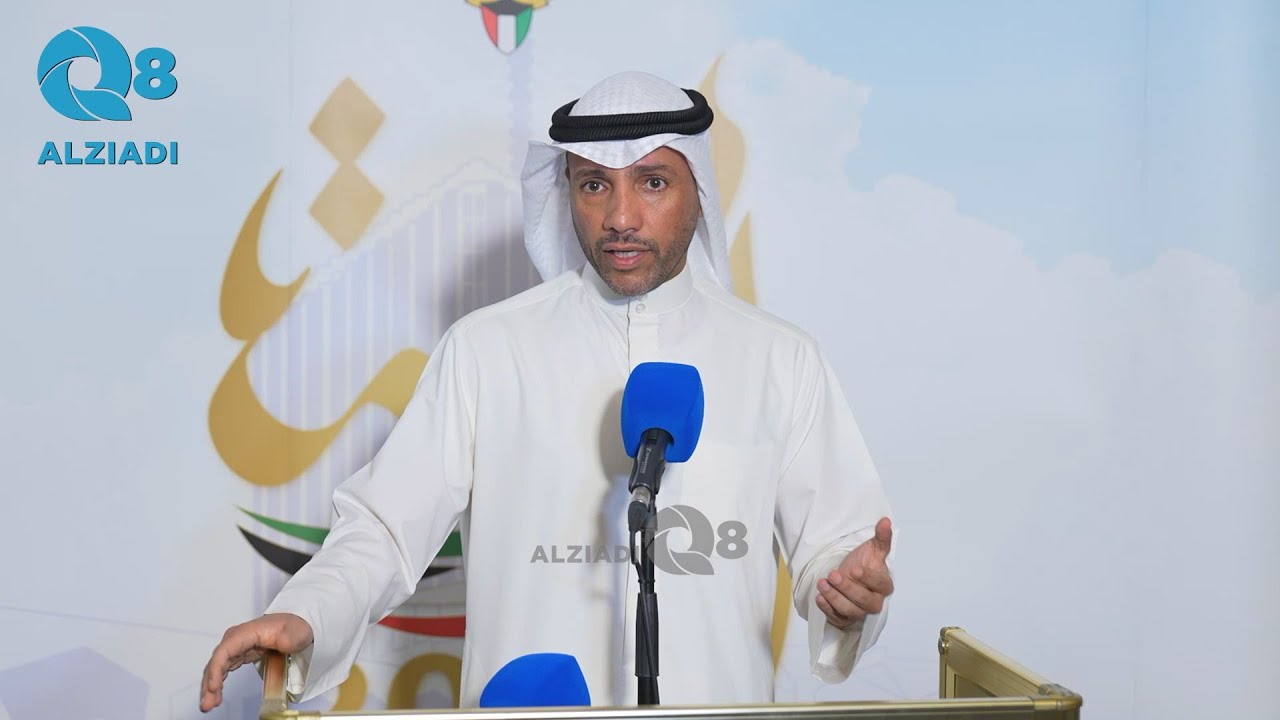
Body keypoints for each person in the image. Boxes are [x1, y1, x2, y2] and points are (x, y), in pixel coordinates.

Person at [200, 70, 895, 711]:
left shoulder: (779, 359)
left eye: (652, 183)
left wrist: (845, 591)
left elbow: (835, 551)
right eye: (594, 186)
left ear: (699, 192)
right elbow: (384, 530)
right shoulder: (488, 350)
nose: (620, 217)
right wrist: (308, 613)